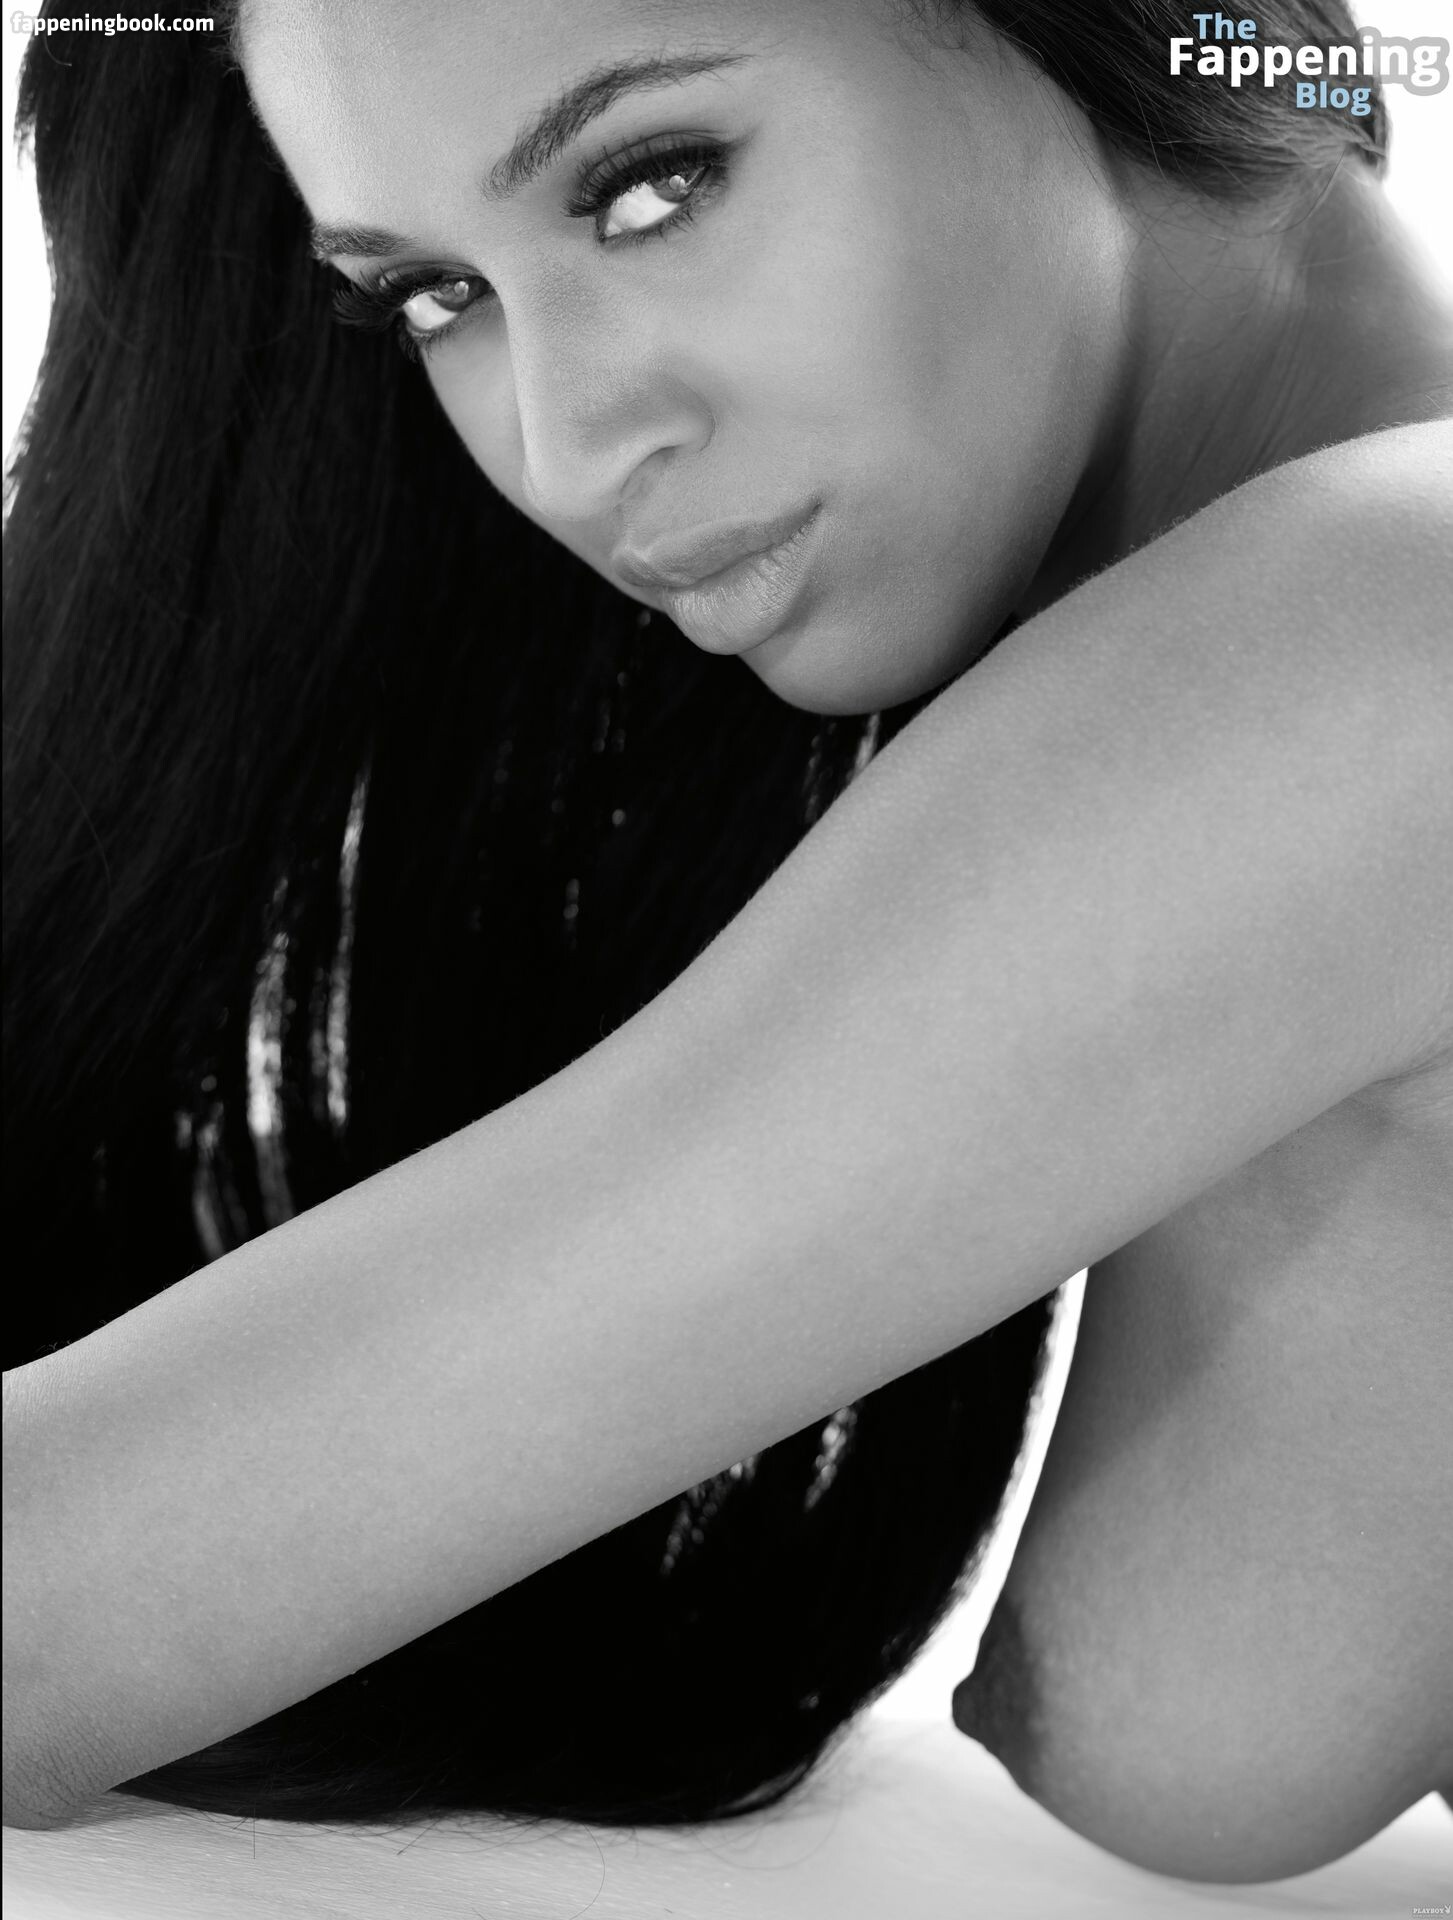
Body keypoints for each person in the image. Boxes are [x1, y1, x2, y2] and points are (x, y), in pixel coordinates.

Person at [3, 0, 1449, 1884]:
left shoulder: (1395, 625)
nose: (564, 442)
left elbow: (48, 1608)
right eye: (433, 298)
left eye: (652, 183)